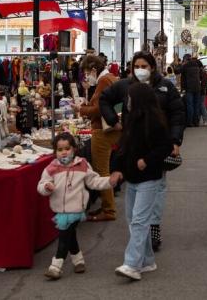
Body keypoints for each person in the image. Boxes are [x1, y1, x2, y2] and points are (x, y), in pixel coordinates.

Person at [100, 51, 184, 251]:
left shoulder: (165, 86)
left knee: (158, 185)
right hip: (133, 145)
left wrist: (175, 140)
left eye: (144, 66)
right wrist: (113, 121)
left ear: (152, 67)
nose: (140, 70)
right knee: (135, 185)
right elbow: (104, 99)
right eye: (136, 66)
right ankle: (140, 231)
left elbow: (177, 113)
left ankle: (153, 226)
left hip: (157, 145)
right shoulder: (124, 85)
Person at [109, 83, 174, 281]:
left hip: (149, 178)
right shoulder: (131, 121)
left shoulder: (155, 122)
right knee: (133, 219)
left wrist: (147, 160)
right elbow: (122, 147)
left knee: (138, 220)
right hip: (132, 178)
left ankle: (132, 264)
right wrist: (117, 170)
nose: (127, 102)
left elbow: (166, 146)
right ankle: (146, 260)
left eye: (129, 98)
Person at [37, 132, 114, 280]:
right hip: (60, 210)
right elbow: (40, 186)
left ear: (74, 149)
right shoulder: (51, 168)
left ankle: (56, 266)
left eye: (67, 148)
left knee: (64, 235)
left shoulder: (82, 165)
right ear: (55, 152)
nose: (64, 152)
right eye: (60, 149)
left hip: (77, 209)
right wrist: (46, 187)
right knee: (69, 235)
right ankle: (78, 261)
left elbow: (94, 181)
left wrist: (109, 181)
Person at [77, 54, 120, 222]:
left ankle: (108, 210)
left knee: (101, 171)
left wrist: (81, 109)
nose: (86, 76)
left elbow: (98, 109)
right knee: (103, 168)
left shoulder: (103, 81)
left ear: (94, 70)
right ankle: (106, 207)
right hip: (108, 129)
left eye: (87, 72)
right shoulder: (110, 78)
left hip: (102, 131)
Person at [178, 55, 204, 126]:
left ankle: (190, 122)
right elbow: (201, 75)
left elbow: (178, 72)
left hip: (189, 88)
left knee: (190, 105)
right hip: (198, 87)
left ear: (185, 60)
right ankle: (196, 122)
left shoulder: (185, 66)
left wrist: (180, 64)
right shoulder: (196, 64)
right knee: (196, 105)